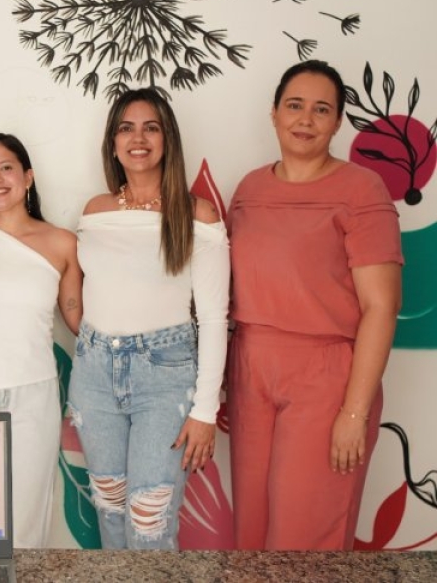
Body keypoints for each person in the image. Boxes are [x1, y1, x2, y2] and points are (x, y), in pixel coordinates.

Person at [226, 60, 403, 550]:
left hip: (326, 378)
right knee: (251, 537)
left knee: (303, 543)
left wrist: (354, 412)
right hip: (251, 370)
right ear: (274, 113)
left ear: (339, 121)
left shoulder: (361, 190)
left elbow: (381, 307)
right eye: (295, 105)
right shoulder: (249, 189)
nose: (305, 119)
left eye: (321, 109)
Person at [68, 88, 230, 550]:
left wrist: (204, 410)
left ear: (168, 139)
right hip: (94, 375)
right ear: (113, 142)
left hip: (165, 377)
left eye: (150, 128)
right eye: (126, 128)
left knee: (149, 522)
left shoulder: (197, 214)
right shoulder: (95, 211)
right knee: (110, 512)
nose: (137, 139)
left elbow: (214, 318)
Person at [0, 133, 83, 548]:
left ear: (28, 177)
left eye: (6, 168)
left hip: (33, 394)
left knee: (23, 527)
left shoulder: (61, 243)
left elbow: (79, 320)